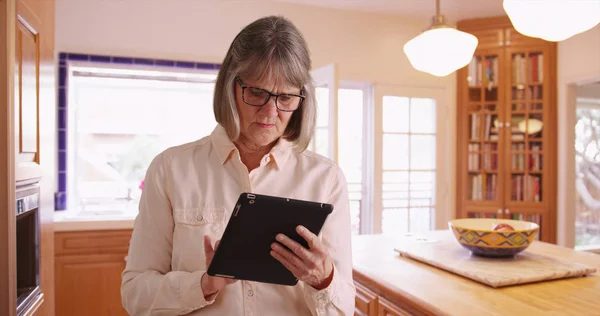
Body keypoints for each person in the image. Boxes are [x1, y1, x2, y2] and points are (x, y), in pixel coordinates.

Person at [121, 15, 356, 316]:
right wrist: (204, 284)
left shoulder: (326, 179)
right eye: (257, 92)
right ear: (230, 87)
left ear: (302, 100)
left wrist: (324, 279)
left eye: (285, 97)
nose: (270, 111)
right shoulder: (169, 170)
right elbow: (134, 294)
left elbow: (344, 310)